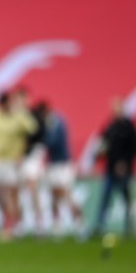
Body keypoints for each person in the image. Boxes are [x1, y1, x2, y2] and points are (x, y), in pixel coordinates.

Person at [0, 89, 38, 240]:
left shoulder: (19, 116)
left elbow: (33, 132)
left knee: (11, 193)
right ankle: (9, 218)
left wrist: (24, 153)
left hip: (12, 161)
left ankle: (9, 226)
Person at [92, 97, 136, 237]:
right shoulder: (110, 126)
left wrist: (124, 163)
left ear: (122, 108)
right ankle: (99, 226)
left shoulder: (128, 127)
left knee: (126, 199)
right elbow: (103, 143)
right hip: (110, 169)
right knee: (105, 198)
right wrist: (99, 154)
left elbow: (132, 148)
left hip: (123, 169)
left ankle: (128, 226)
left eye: (117, 107)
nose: (114, 110)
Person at [40, 101, 83, 236]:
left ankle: (80, 224)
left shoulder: (55, 121)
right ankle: (57, 226)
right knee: (54, 195)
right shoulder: (55, 120)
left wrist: (41, 140)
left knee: (66, 193)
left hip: (63, 164)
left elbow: (53, 141)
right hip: (53, 163)